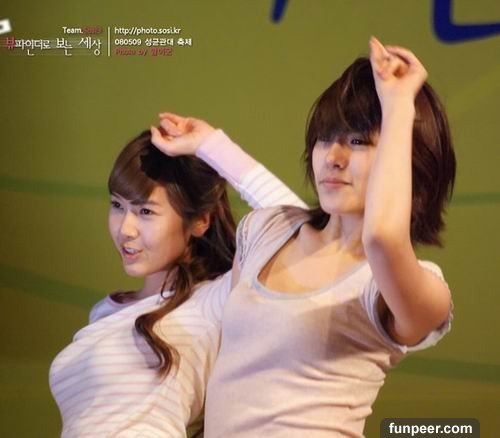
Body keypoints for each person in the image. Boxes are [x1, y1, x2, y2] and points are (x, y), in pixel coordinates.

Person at [195, 38, 456, 437]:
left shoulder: (414, 288)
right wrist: (207, 144)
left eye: (358, 141)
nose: (333, 157)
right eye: (326, 136)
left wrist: (399, 105)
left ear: (411, 166)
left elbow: (383, 238)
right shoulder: (266, 229)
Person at [49, 117, 306, 437]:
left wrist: (212, 146)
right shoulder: (104, 312)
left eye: (145, 211)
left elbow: (303, 235)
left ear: (200, 221)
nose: (125, 229)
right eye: (117, 205)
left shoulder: (214, 301)